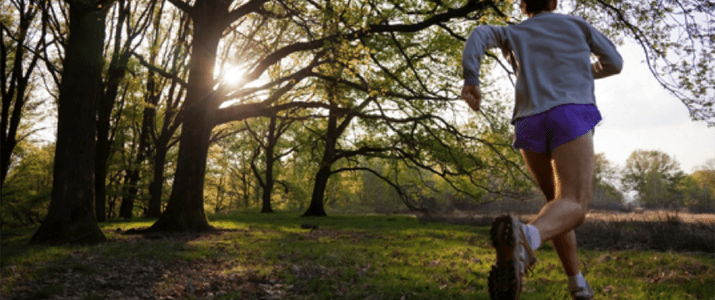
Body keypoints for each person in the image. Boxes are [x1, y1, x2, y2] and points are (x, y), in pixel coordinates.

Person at [461, 0, 623, 299]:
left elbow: (480, 34)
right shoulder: (576, 25)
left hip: (529, 121)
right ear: (555, 1)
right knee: (575, 204)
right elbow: (614, 62)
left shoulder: (513, 32)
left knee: (556, 205)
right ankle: (526, 237)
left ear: (523, 5)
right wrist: (583, 69)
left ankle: (577, 284)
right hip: (569, 113)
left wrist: (472, 79)